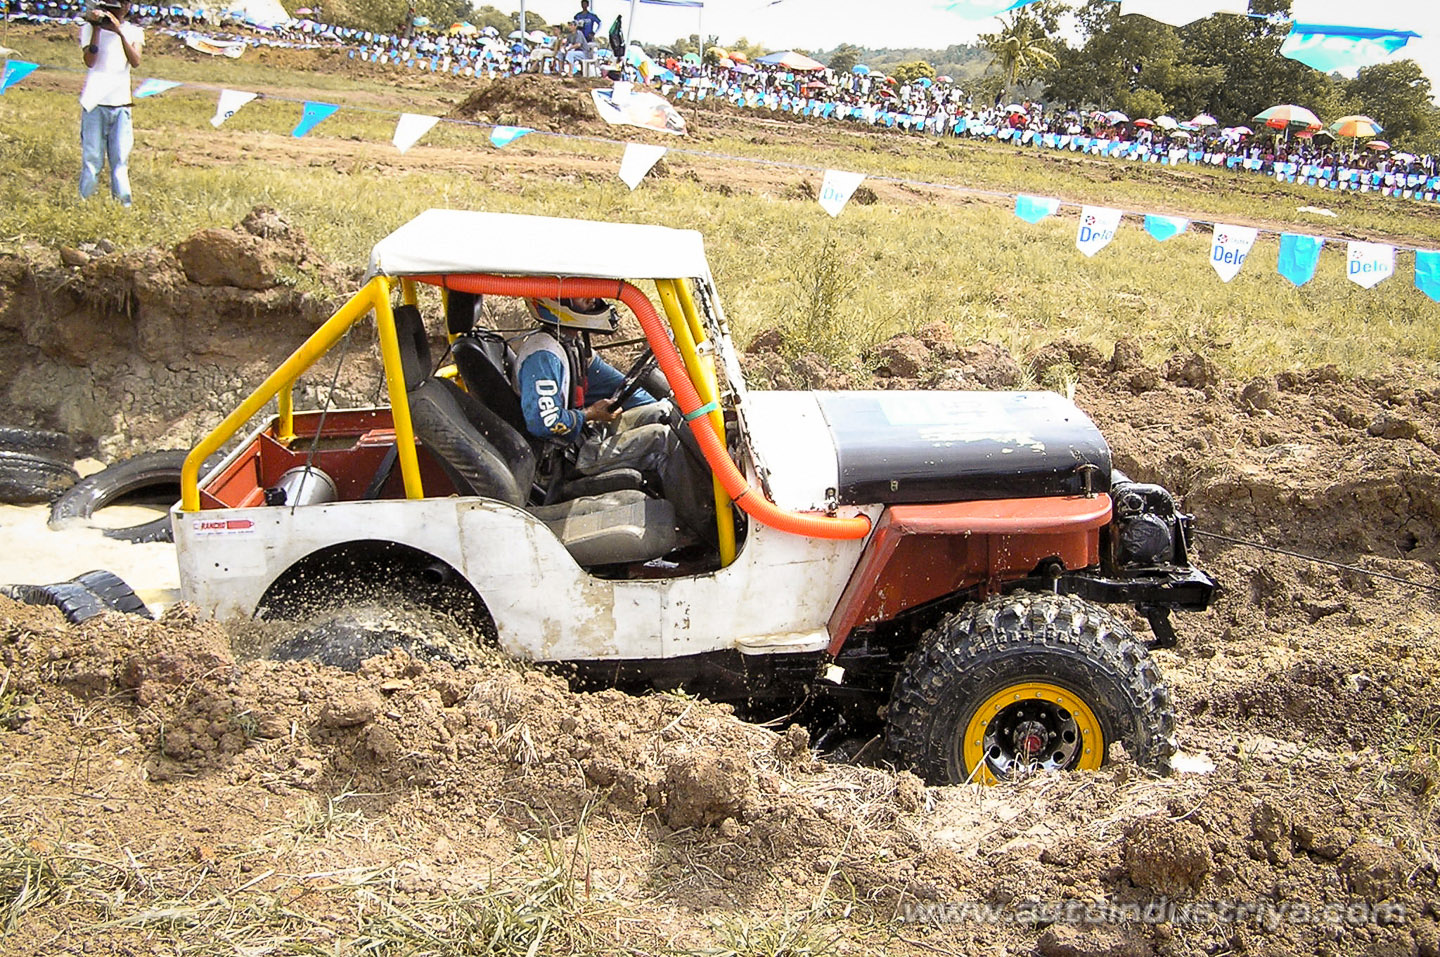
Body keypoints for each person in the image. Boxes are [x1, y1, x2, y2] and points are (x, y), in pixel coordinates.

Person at [512, 297, 673, 479]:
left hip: (584, 436)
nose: (592, 298)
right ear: (555, 300)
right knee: (662, 438)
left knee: (664, 411)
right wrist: (590, 413)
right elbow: (543, 424)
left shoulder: (570, 344)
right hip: (565, 457)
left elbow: (617, 384)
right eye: (580, 293)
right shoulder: (544, 356)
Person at [78, 0, 143, 208]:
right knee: (92, 159)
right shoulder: (89, 28)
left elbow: (135, 61)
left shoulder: (134, 32)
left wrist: (119, 32)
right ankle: (84, 203)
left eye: (124, 3)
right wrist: (97, 28)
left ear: (128, 6)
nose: (119, 8)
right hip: (94, 103)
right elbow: (90, 61)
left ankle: (124, 205)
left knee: (120, 161)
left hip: (121, 103)